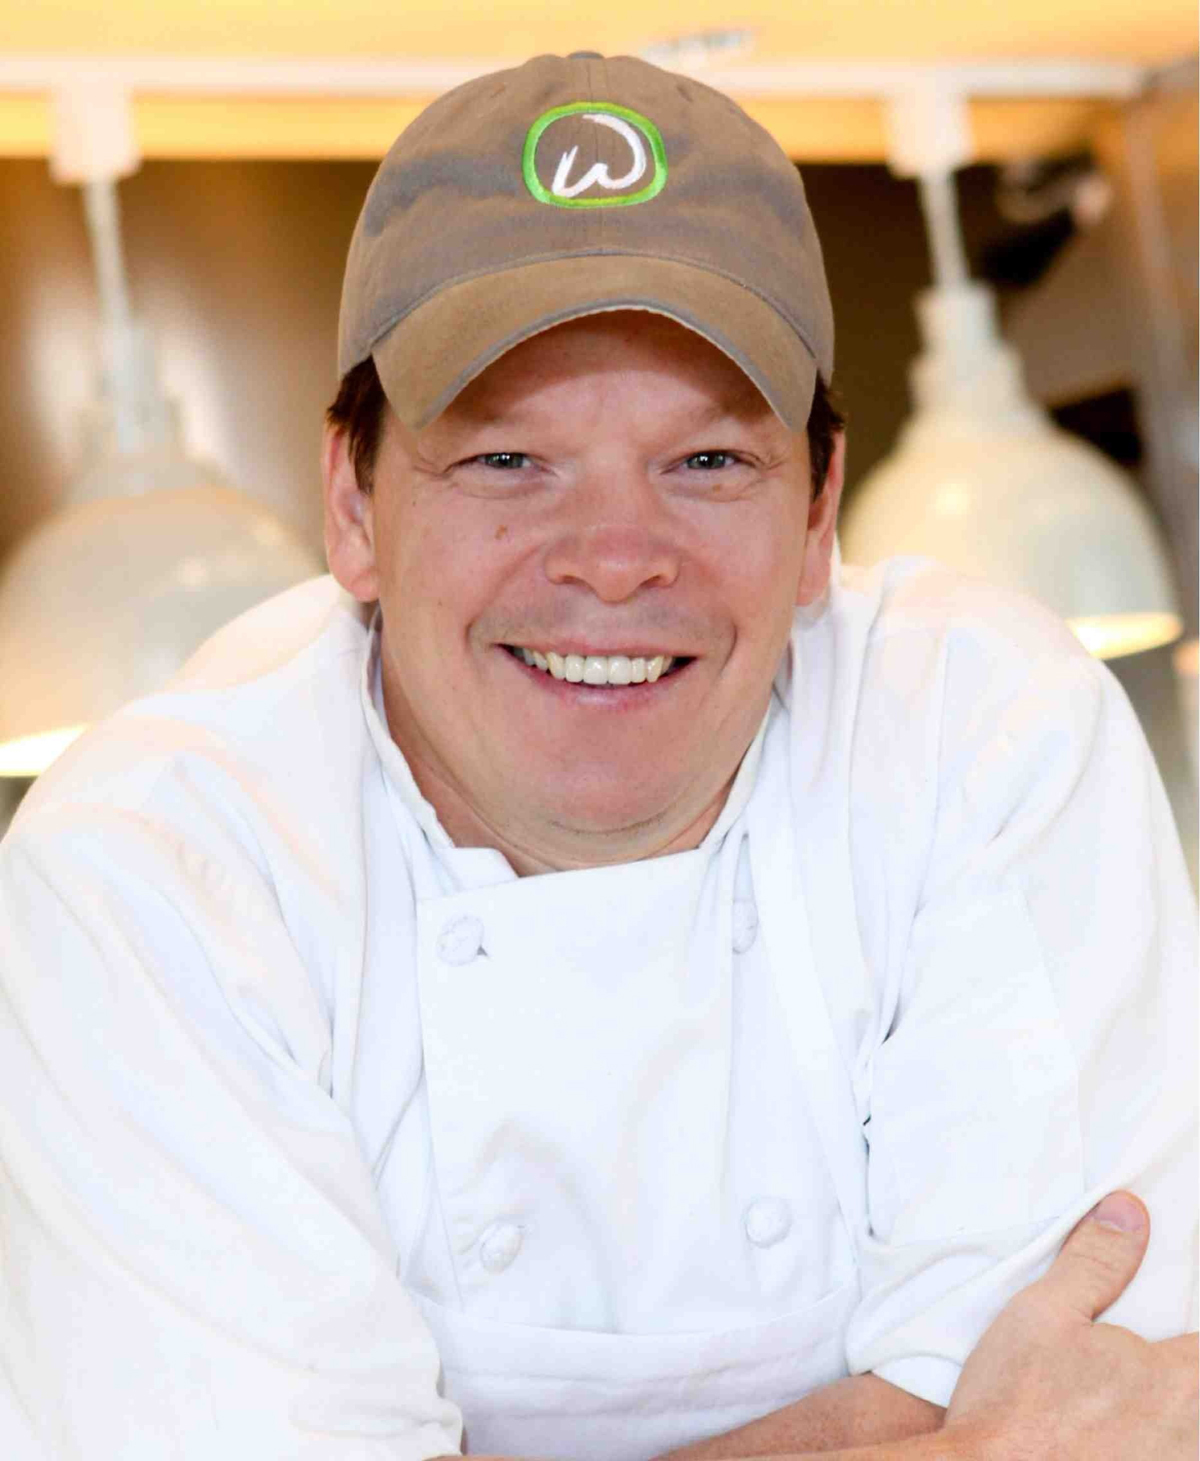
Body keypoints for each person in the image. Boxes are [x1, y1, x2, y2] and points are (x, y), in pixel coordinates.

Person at [0, 51, 1195, 1461]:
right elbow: (1030, 1435)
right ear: (353, 508)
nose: (617, 560)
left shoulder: (981, 731)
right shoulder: (156, 869)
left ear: (820, 512)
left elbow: (1100, 1386)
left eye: (709, 463)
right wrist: (955, 1448)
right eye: (507, 461)